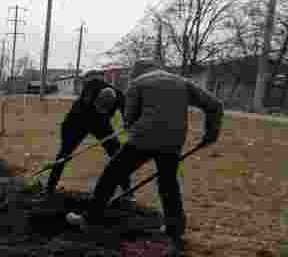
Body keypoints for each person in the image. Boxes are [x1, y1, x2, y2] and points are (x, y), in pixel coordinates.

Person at [66, 60, 223, 241]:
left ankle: (90, 219)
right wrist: (210, 134)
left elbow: (129, 118)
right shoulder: (182, 82)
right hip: (173, 142)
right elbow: (215, 105)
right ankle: (175, 228)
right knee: (168, 183)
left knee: (112, 174)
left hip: (143, 139)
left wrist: (130, 126)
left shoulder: (138, 83)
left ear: (137, 72)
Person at [45, 70, 132, 196]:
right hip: (78, 120)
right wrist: (67, 141)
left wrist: (128, 123)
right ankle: (50, 187)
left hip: (101, 124)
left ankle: (127, 191)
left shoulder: (119, 96)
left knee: (116, 153)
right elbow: (69, 122)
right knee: (64, 154)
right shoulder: (90, 87)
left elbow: (127, 115)